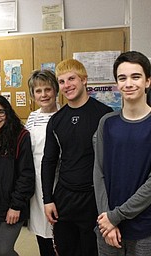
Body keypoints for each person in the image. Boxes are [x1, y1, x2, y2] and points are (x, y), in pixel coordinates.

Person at [42, 59, 113, 256]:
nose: (67, 85)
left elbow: (111, 164)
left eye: (71, 79)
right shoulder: (56, 121)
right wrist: (48, 199)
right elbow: (49, 161)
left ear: (84, 80)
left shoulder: (104, 116)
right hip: (65, 198)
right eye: (62, 81)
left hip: (94, 199)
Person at [93, 51, 151, 255]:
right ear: (117, 84)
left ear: (148, 81)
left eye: (136, 77)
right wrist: (105, 218)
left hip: (145, 228)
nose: (128, 83)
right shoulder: (107, 123)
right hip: (108, 227)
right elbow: (98, 172)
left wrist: (115, 216)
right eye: (122, 78)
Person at [0, 95, 35, 256]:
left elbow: (26, 175)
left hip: (13, 205)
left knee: (3, 250)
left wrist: (16, 206)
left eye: (0, 112)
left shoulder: (20, 137)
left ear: (8, 113)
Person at [25, 70, 59, 256]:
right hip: (36, 185)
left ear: (56, 90)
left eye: (48, 89)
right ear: (32, 95)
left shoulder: (64, 115)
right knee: (41, 233)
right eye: (38, 91)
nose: (44, 95)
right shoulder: (32, 118)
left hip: (59, 181)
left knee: (60, 234)